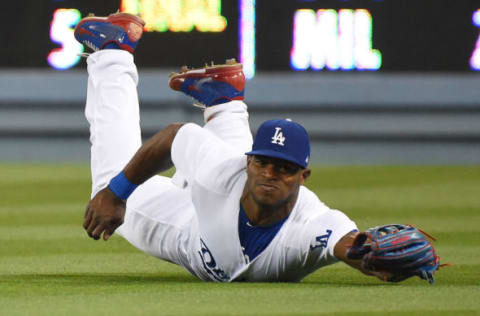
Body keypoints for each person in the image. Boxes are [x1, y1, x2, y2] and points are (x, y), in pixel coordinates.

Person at [74, 12, 387, 282]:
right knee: (110, 181)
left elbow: (350, 244)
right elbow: (174, 137)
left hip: (207, 212)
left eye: (284, 168)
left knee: (224, 178)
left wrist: (380, 261)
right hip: (186, 221)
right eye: (263, 162)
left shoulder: (310, 224)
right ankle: (113, 52)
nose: (270, 173)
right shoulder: (222, 168)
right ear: (249, 161)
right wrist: (115, 193)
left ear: (304, 176)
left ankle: (225, 101)